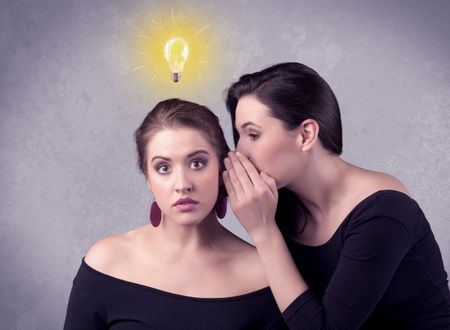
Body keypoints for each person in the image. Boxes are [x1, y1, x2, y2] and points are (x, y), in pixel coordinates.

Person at [222, 62, 450, 329]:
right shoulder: (280, 200)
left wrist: (264, 232)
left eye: (253, 134)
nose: (240, 152)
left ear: (306, 135)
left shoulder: (383, 211)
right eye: (239, 135)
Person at [63, 99, 287, 329]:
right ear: (148, 179)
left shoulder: (264, 275)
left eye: (197, 163)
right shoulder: (107, 261)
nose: (182, 184)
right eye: (163, 168)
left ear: (222, 169)